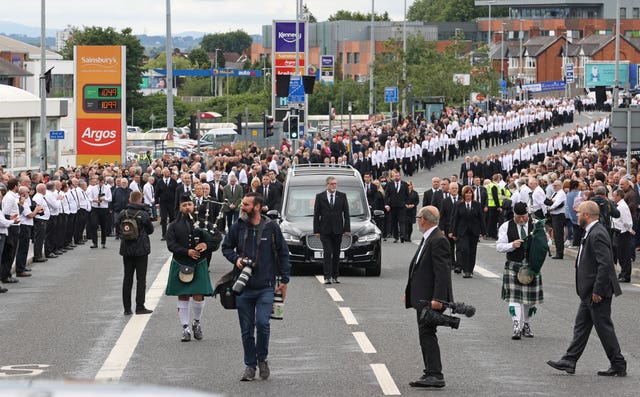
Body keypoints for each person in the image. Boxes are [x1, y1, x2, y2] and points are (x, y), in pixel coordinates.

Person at [547, 201, 626, 377]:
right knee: (581, 327)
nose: (577, 215)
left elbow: (605, 264)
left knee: (603, 328)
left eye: (579, 213)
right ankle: (569, 359)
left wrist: (597, 290)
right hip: (588, 291)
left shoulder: (597, 233)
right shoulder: (591, 231)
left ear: (587, 215)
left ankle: (618, 363)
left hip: (597, 291)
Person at [221, 192, 291, 381]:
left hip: (266, 286)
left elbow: (284, 253)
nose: (242, 207)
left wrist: (284, 281)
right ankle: (250, 366)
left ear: (257, 207)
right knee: (246, 329)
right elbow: (226, 247)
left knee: (262, 323)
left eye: (245, 204)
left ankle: (262, 359)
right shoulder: (238, 227)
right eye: (242, 204)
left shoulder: (271, 227)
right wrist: (236, 260)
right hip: (243, 287)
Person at [404, 206, 453, 389]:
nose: (417, 220)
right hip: (423, 296)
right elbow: (418, 269)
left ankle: (435, 374)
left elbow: (442, 273)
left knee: (427, 334)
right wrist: (409, 292)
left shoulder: (438, 240)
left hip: (431, 298)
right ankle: (430, 371)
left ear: (424, 219)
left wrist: (439, 299)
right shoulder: (430, 238)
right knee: (425, 334)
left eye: (418, 217)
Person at [165, 193, 220, 342]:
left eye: (189, 204)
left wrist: (206, 245)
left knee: (198, 294)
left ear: (193, 205)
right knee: (182, 295)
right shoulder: (174, 226)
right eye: (184, 205)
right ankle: (185, 328)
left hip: (199, 263)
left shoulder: (203, 223)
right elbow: (171, 245)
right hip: (180, 263)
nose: (187, 207)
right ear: (180, 207)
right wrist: (186, 251)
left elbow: (217, 238)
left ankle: (196, 322)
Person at [496, 202, 543, 339]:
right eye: (518, 217)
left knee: (530, 300)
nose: (522, 219)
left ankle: (526, 325)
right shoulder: (506, 226)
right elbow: (499, 246)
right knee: (514, 298)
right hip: (514, 264)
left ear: (528, 214)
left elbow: (548, 244)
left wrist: (540, 240)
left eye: (524, 216)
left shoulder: (536, 224)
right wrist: (512, 245)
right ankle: (516, 326)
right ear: (514, 215)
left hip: (532, 265)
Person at [116, 191, 154, 316]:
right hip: (141, 249)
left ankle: (127, 308)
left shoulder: (122, 213)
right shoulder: (143, 214)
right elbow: (150, 230)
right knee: (140, 279)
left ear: (130, 199)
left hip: (126, 249)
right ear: (140, 199)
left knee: (127, 278)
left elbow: (118, 228)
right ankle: (140, 306)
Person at [313, 176, 350, 284]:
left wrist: (346, 228)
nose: (334, 186)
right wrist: (316, 230)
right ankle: (327, 276)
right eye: (332, 184)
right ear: (327, 185)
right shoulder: (320, 197)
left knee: (336, 253)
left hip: (338, 230)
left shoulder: (342, 196)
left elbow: (346, 214)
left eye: (335, 184)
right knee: (327, 252)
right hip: (325, 230)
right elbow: (316, 215)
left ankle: (335, 276)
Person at [450, 186, 486, 278]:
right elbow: (455, 219)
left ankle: (470, 269)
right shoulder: (459, 205)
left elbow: (481, 218)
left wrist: (483, 231)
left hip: (474, 231)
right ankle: (465, 270)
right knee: (464, 250)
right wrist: (453, 232)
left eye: (470, 193)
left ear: (472, 194)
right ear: (463, 194)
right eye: (466, 193)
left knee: (472, 251)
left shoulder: (477, 205)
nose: (468, 195)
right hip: (462, 231)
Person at [86, 175, 112, 249]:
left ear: (104, 182)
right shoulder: (93, 188)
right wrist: (94, 200)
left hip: (103, 208)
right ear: (97, 181)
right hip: (95, 208)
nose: (100, 183)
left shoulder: (107, 188)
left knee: (104, 226)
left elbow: (110, 198)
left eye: (102, 182)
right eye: (99, 182)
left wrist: (104, 198)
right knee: (94, 225)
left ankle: (103, 242)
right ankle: (95, 243)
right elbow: (89, 197)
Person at [385, 170, 410, 243]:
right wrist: (386, 205)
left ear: (400, 176)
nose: (396, 177)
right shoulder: (390, 184)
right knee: (394, 222)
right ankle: (396, 237)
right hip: (393, 206)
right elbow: (387, 195)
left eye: (398, 176)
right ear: (393, 177)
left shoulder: (404, 184)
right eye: (395, 176)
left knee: (402, 221)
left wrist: (406, 203)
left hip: (402, 206)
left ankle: (402, 236)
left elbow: (407, 196)